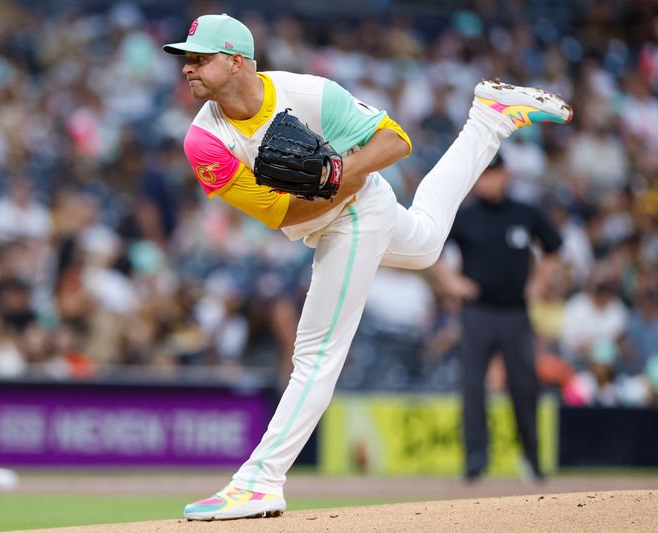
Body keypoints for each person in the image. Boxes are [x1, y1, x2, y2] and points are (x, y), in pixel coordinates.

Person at [162, 14, 571, 520]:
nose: (189, 68)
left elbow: (396, 142)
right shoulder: (204, 142)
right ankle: (490, 118)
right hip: (323, 215)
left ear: (237, 61)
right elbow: (280, 213)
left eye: (200, 58)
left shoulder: (309, 95)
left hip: (356, 212)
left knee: (316, 353)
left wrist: (338, 174)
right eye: (187, 59)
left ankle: (259, 482)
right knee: (424, 244)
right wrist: (333, 183)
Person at [428, 153, 563, 483]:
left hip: (516, 312)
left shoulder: (524, 213)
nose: (488, 181)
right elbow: (427, 249)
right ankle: (475, 461)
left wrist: (539, 281)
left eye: (493, 173)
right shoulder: (466, 215)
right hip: (478, 311)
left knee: (524, 385)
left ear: (506, 174)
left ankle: (532, 459)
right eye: (483, 175)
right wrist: (450, 280)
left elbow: (554, 248)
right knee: (472, 385)